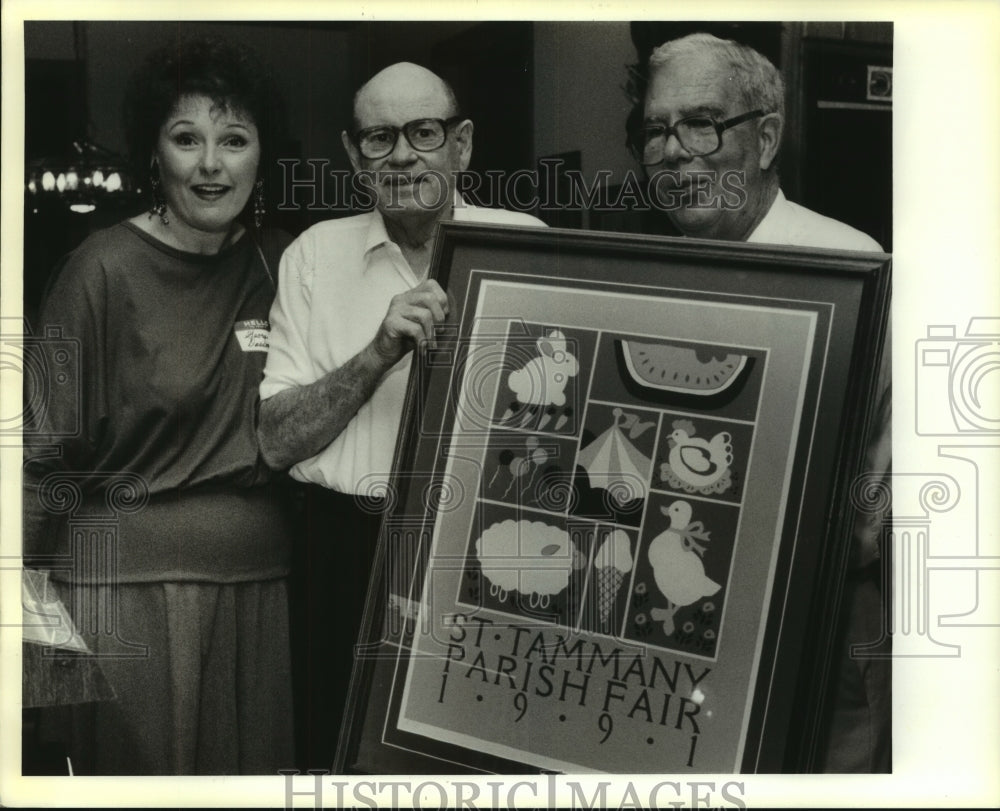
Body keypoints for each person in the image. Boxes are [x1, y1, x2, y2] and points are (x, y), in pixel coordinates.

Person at [257, 61, 545, 769]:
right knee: (341, 752)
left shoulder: (528, 245)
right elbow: (273, 441)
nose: (404, 154)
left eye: (424, 131)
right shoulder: (312, 257)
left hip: (481, 550)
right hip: (344, 552)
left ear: (462, 143)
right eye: (380, 138)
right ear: (356, 156)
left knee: (481, 754)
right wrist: (380, 350)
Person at [22, 35, 295, 775]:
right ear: (154, 154)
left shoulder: (282, 264)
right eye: (187, 139)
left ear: (261, 155)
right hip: (127, 597)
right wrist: (29, 635)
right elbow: (37, 454)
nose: (211, 164)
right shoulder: (98, 268)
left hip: (261, 593)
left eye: (234, 139)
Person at [628, 32, 890, 772]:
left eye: (702, 123)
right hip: (687, 623)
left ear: (766, 137)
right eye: (657, 129)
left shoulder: (854, 267)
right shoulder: (647, 274)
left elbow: (894, 480)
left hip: (824, 622)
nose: (676, 150)